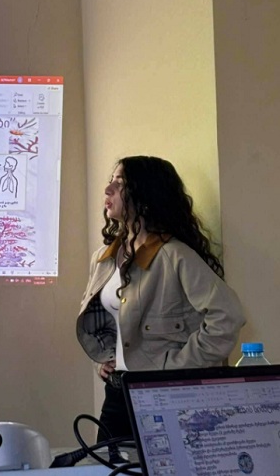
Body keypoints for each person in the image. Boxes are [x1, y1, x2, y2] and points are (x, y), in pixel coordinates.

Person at [76, 156, 245, 442]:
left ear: (145, 195)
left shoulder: (174, 255)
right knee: (107, 463)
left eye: (120, 183)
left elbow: (227, 317)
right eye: (110, 181)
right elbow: (101, 321)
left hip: (167, 397)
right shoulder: (103, 258)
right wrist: (102, 361)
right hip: (117, 394)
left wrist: (176, 367)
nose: (108, 189)